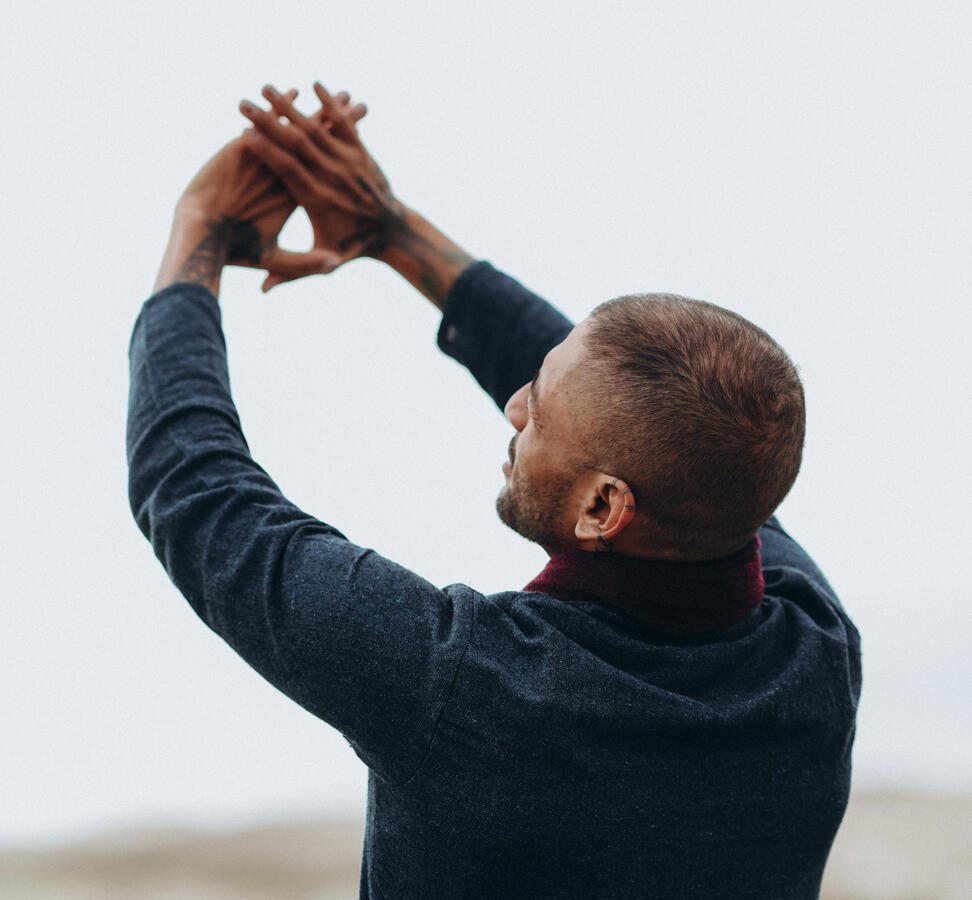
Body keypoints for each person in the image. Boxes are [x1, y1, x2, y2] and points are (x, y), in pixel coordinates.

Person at [127, 81, 861, 899]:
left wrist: (196, 238)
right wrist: (394, 233)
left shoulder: (466, 690)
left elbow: (201, 498)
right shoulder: (817, 657)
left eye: (536, 406)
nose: (514, 406)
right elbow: (658, 416)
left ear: (602, 508)